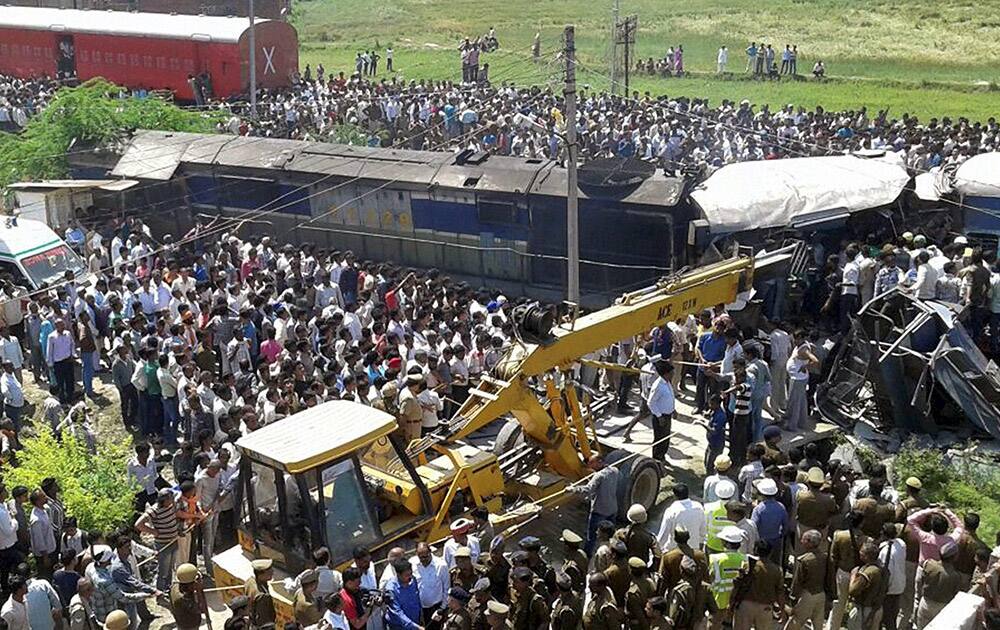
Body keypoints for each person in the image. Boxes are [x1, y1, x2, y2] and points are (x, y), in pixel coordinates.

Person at [568, 455, 619, 555]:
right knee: (611, 535)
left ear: (600, 461)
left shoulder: (599, 476)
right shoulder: (615, 470)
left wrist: (573, 489)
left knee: (591, 536)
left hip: (599, 511)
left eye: (592, 463)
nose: (589, 465)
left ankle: (587, 556)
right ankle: (612, 553)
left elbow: (588, 490)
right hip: (612, 509)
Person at [785, 529, 826, 630]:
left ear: (809, 542)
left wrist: (793, 599)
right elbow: (829, 578)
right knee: (818, 625)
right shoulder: (825, 557)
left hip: (807, 595)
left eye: (803, 539)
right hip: (821, 594)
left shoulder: (804, 560)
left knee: (794, 623)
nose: (801, 541)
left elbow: (798, 581)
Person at [847, 541, 887, 630]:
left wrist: (853, 575)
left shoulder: (869, 572)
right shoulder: (883, 569)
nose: (859, 554)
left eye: (861, 552)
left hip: (864, 609)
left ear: (867, 556)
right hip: (876, 608)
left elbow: (852, 591)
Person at [656, 484, 705, 552]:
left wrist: (658, 548)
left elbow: (664, 534)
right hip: (694, 549)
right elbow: (703, 529)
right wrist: (701, 543)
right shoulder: (698, 507)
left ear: (675, 496)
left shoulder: (671, 511)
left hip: (675, 550)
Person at [645, 361, 675, 462]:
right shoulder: (658, 385)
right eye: (671, 372)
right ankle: (657, 459)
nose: (673, 374)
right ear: (666, 373)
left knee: (666, 439)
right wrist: (659, 416)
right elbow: (650, 402)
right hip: (660, 417)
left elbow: (669, 397)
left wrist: (673, 410)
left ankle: (662, 457)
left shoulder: (667, 382)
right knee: (659, 439)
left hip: (668, 415)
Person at [385, 561, 422, 630]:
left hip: (415, 622)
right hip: (399, 626)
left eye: (411, 573)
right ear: (398, 575)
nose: (410, 577)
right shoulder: (391, 589)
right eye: (407, 575)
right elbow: (397, 612)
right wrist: (415, 626)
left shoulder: (412, 580)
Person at [170, 563, 208, 630]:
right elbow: (202, 609)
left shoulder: (175, 586)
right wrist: (199, 591)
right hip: (189, 625)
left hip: (181, 621)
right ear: (190, 584)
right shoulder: (183, 598)